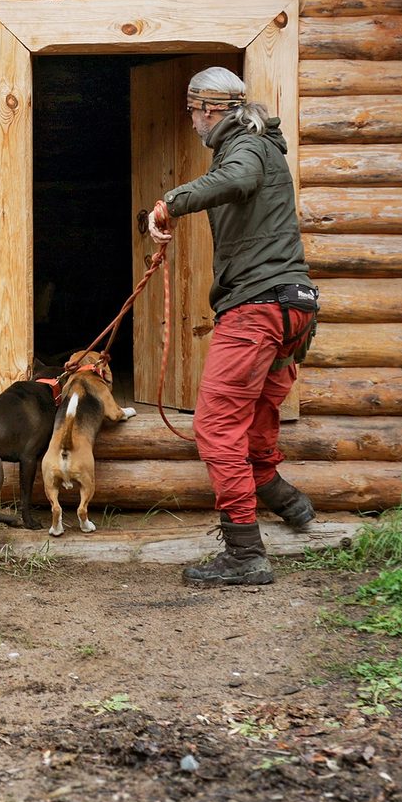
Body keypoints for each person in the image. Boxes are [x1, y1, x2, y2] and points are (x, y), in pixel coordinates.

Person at [145, 66, 318, 587]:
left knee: (216, 425)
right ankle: (289, 502)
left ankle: (244, 553)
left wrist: (169, 202)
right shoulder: (259, 144)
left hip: (258, 308)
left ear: (209, 110)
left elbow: (237, 179)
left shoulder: (246, 147)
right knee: (258, 418)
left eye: (194, 111)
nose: (193, 121)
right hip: (294, 308)